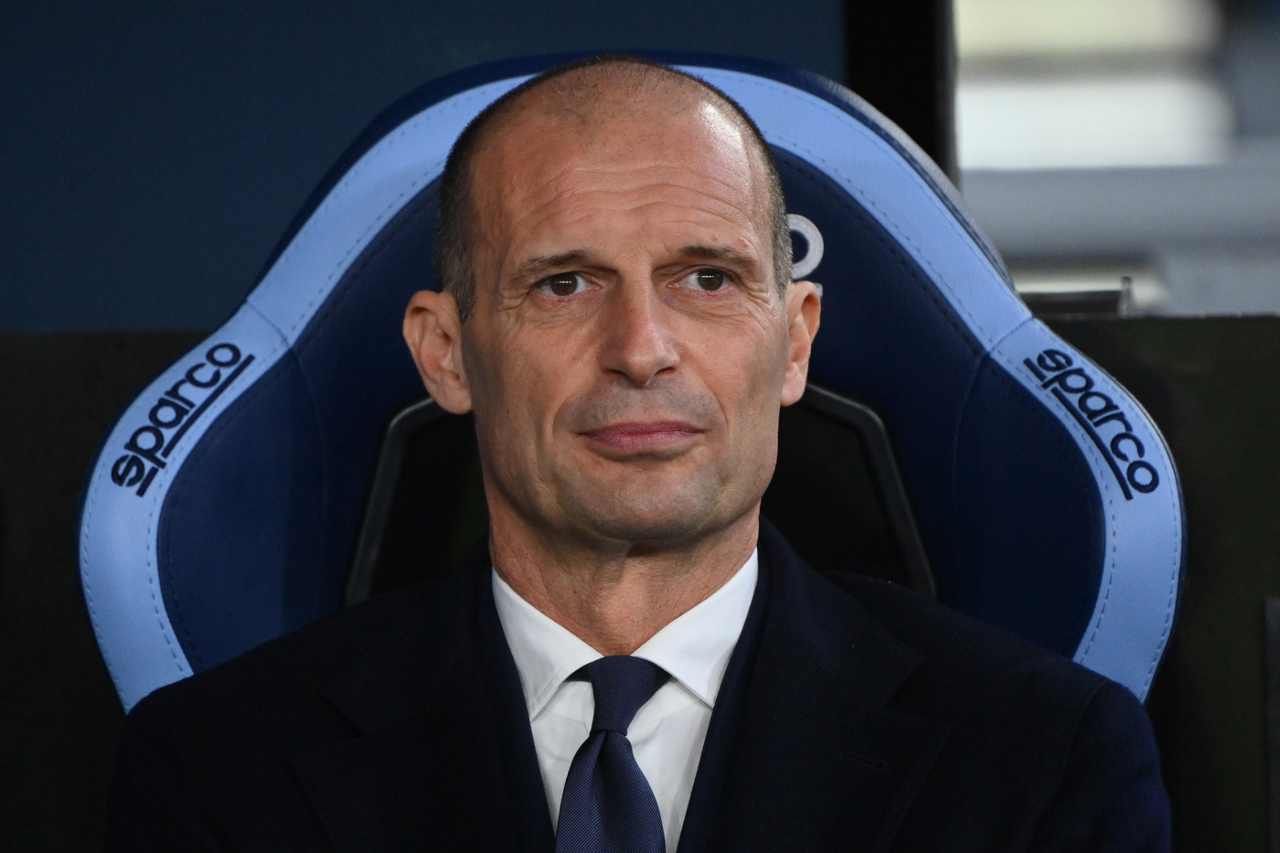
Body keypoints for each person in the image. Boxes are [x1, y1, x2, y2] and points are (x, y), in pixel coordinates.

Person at [107, 56, 1171, 851]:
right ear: (446, 353)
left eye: (706, 278)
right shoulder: (216, 768)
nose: (641, 348)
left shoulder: (1043, 760)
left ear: (795, 341)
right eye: (564, 283)